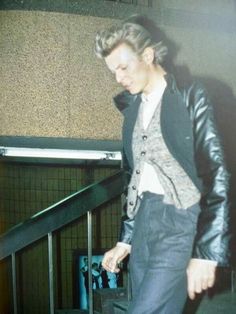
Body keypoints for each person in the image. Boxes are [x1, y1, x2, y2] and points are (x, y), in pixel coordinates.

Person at [95, 15, 231, 314]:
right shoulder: (131, 111)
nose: (118, 78)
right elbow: (135, 177)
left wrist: (207, 251)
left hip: (182, 219)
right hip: (145, 219)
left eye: (123, 67)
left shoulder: (190, 97)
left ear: (147, 55)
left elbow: (217, 173)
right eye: (112, 71)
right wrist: (126, 241)